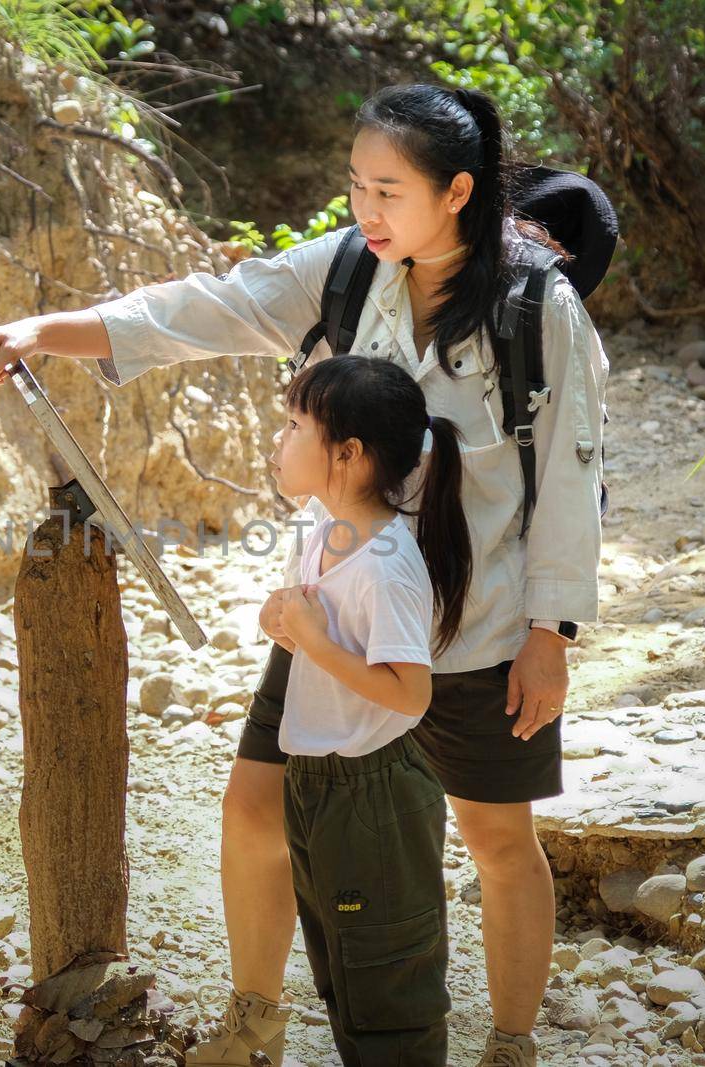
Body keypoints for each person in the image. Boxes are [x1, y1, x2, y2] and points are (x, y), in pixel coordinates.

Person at [0, 83, 608, 1067]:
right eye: (355, 188)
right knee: (255, 807)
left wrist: (551, 635)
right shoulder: (348, 270)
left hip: (479, 626)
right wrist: (45, 332)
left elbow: (573, 476)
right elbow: (208, 309)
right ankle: (252, 1020)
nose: (364, 213)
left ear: (458, 190)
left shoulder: (535, 308)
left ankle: (510, 1042)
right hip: (337, 616)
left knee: (495, 839)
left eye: (388, 190)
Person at [257, 353, 469, 1065]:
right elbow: (319, 627)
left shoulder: (385, 562)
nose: (279, 441)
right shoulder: (328, 531)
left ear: (346, 454)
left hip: (373, 790)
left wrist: (311, 642)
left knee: (388, 985)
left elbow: (410, 693)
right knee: (342, 973)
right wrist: (287, 621)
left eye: (293, 427)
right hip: (316, 782)